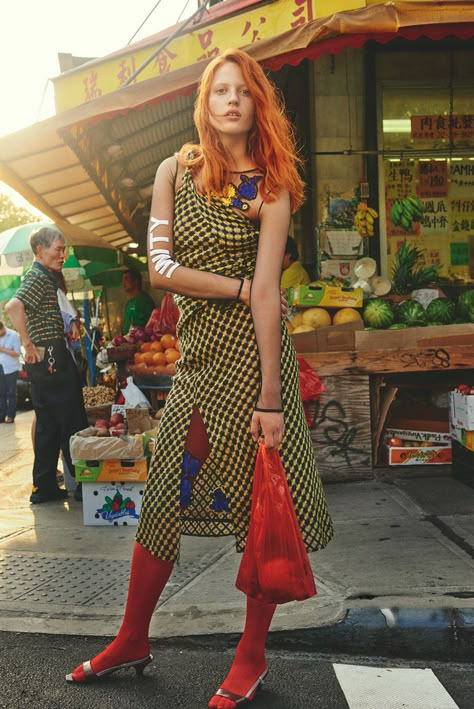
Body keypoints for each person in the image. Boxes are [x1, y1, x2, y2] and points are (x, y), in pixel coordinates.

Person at [66, 48, 333, 706]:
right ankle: (132, 634)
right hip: (197, 362)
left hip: (249, 364)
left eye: (244, 90)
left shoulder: (272, 187)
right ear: (205, 103)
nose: (232, 100)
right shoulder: (175, 170)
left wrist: (273, 396)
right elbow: (159, 268)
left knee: (258, 508)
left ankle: (251, 655)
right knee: (161, 501)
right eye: (220, 91)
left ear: (258, 102)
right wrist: (238, 285)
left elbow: (269, 295)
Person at [5, 227, 89, 504]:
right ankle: (83, 485)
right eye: (58, 249)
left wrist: (72, 323)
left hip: (46, 355)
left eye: (64, 250)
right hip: (49, 353)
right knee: (71, 416)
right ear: (40, 251)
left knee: (49, 423)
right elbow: (13, 306)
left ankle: (44, 487)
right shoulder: (38, 276)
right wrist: (27, 343)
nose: (62, 255)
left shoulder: (45, 276)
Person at [122, 269, 155, 334]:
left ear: (136, 281)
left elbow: (152, 324)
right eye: (123, 280)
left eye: (126, 279)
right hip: (127, 342)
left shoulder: (145, 300)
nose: (123, 282)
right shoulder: (129, 303)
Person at [0, 320, 21, 423]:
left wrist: (3, 349)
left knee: (11, 392)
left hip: (11, 368)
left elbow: (17, 352)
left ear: (3, 327)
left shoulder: (13, 335)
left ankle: (11, 416)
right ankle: (1, 415)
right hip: (0, 367)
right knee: (1, 393)